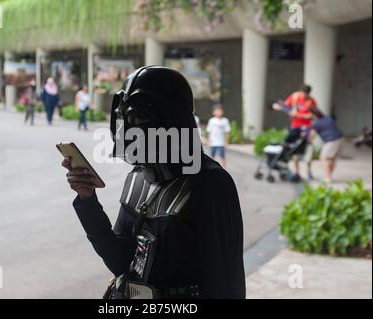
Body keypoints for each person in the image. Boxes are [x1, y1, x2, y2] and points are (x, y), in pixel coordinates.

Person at [62, 66, 245, 299]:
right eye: (123, 118)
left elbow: (226, 282)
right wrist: (87, 199)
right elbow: (119, 259)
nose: (127, 131)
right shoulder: (138, 178)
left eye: (138, 118)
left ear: (172, 119)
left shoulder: (210, 183)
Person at [274, 85, 318, 181]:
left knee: (308, 149)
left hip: (307, 129)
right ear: (300, 91)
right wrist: (279, 107)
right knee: (294, 149)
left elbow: (313, 115)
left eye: (305, 95)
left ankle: (309, 171)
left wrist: (299, 115)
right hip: (295, 128)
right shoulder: (295, 97)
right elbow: (286, 106)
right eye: (302, 93)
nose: (303, 96)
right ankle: (297, 172)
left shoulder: (311, 101)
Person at [310, 110, 344, 184]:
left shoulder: (316, 123)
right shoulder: (328, 118)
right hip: (340, 139)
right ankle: (329, 176)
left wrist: (310, 142)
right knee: (332, 159)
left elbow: (312, 135)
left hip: (331, 140)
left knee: (323, 157)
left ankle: (328, 177)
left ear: (313, 115)